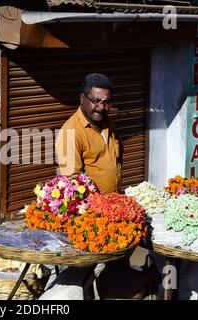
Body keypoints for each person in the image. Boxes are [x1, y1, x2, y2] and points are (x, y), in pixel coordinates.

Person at [55, 73, 160, 299]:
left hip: (114, 214)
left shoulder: (108, 124)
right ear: (82, 98)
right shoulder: (70, 133)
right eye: (95, 100)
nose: (101, 107)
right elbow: (73, 184)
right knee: (85, 276)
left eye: (106, 101)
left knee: (116, 274)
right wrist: (101, 211)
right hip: (92, 220)